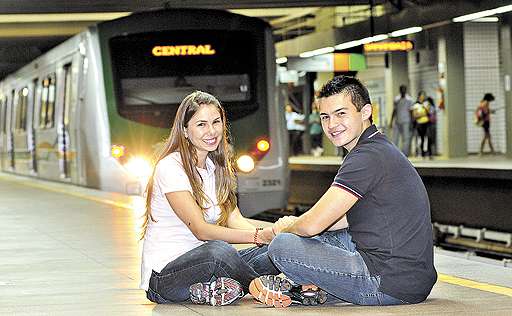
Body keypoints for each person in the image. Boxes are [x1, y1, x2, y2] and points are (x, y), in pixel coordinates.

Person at [249, 76, 437, 307]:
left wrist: (284, 227)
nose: (331, 125)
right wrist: (297, 226)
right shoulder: (378, 147)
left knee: (283, 245)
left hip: (385, 283)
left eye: (341, 114)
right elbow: (342, 219)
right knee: (317, 237)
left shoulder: (365, 157)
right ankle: (291, 284)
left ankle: (241, 277)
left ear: (366, 111)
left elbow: (311, 225)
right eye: (325, 117)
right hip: (411, 279)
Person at [140, 91, 278, 306]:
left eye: (216, 122)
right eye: (201, 124)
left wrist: (270, 237)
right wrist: (258, 236)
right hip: (166, 279)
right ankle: (262, 287)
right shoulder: (170, 167)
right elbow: (201, 231)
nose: (211, 131)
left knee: (276, 249)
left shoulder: (215, 167)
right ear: (185, 130)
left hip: (206, 267)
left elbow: (235, 220)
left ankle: (219, 288)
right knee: (218, 250)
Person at [389, 85, 414, 156]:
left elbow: (411, 111)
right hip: (397, 121)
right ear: (400, 90)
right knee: (395, 138)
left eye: (404, 89)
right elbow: (394, 110)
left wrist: (412, 123)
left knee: (406, 138)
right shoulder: (396, 99)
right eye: (401, 90)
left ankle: (404, 154)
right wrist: (391, 121)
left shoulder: (409, 99)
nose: (403, 91)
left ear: (406, 90)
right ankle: (395, 154)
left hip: (406, 121)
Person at [412, 91, 432, 159]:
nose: (423, 97)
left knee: (429, 137)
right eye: (422, 95)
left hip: (427, 122)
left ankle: (430, 153)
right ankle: (422, 153)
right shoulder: (416, 105)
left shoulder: (426, 103)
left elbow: (429, 112)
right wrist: (423, 114)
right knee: (422, 138)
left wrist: (423, 111)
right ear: (419, 96)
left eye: (424, 95)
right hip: (420, 124)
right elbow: (415, 115)